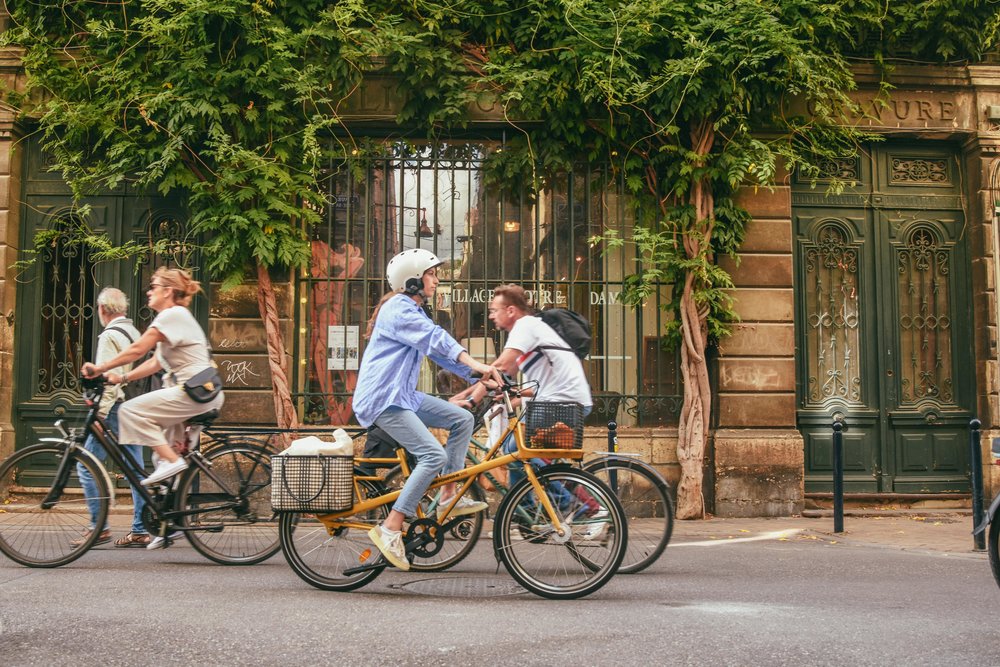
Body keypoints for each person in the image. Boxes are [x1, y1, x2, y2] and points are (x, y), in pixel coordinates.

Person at [354, 248, 502, 571]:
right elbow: (435, 339)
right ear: (412, 280)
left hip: (403, 396)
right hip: (384, 400)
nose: (436, 280)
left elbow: (441, 354)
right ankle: (391, 527)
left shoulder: (415, 311)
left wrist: (480, 374)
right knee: (432, 456)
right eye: (431, 274)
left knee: (462, 418)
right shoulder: (398, 310)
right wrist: (476, 363)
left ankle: (449, 492)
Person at [82, 267, 223, 549]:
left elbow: (137, 350)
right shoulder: (172, 319)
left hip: (192, 392)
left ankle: (173, 461)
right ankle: (168, 526)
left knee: (130, 412)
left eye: (154, 286)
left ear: (168, 292)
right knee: (162, 465)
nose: (149, 291)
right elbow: (154, 363)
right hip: (194, 392)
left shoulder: (173, 315)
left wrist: (100, 367)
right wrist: (120, 376)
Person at [71, 288, 151, 548]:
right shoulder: (135, 333)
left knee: (86, 465)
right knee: (135, 469)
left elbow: (109, 380)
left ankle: (98, 527)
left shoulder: (109, 336)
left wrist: (101, 413)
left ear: (103, 309)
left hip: (115, 408)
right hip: (135, 406)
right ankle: (140, 528)